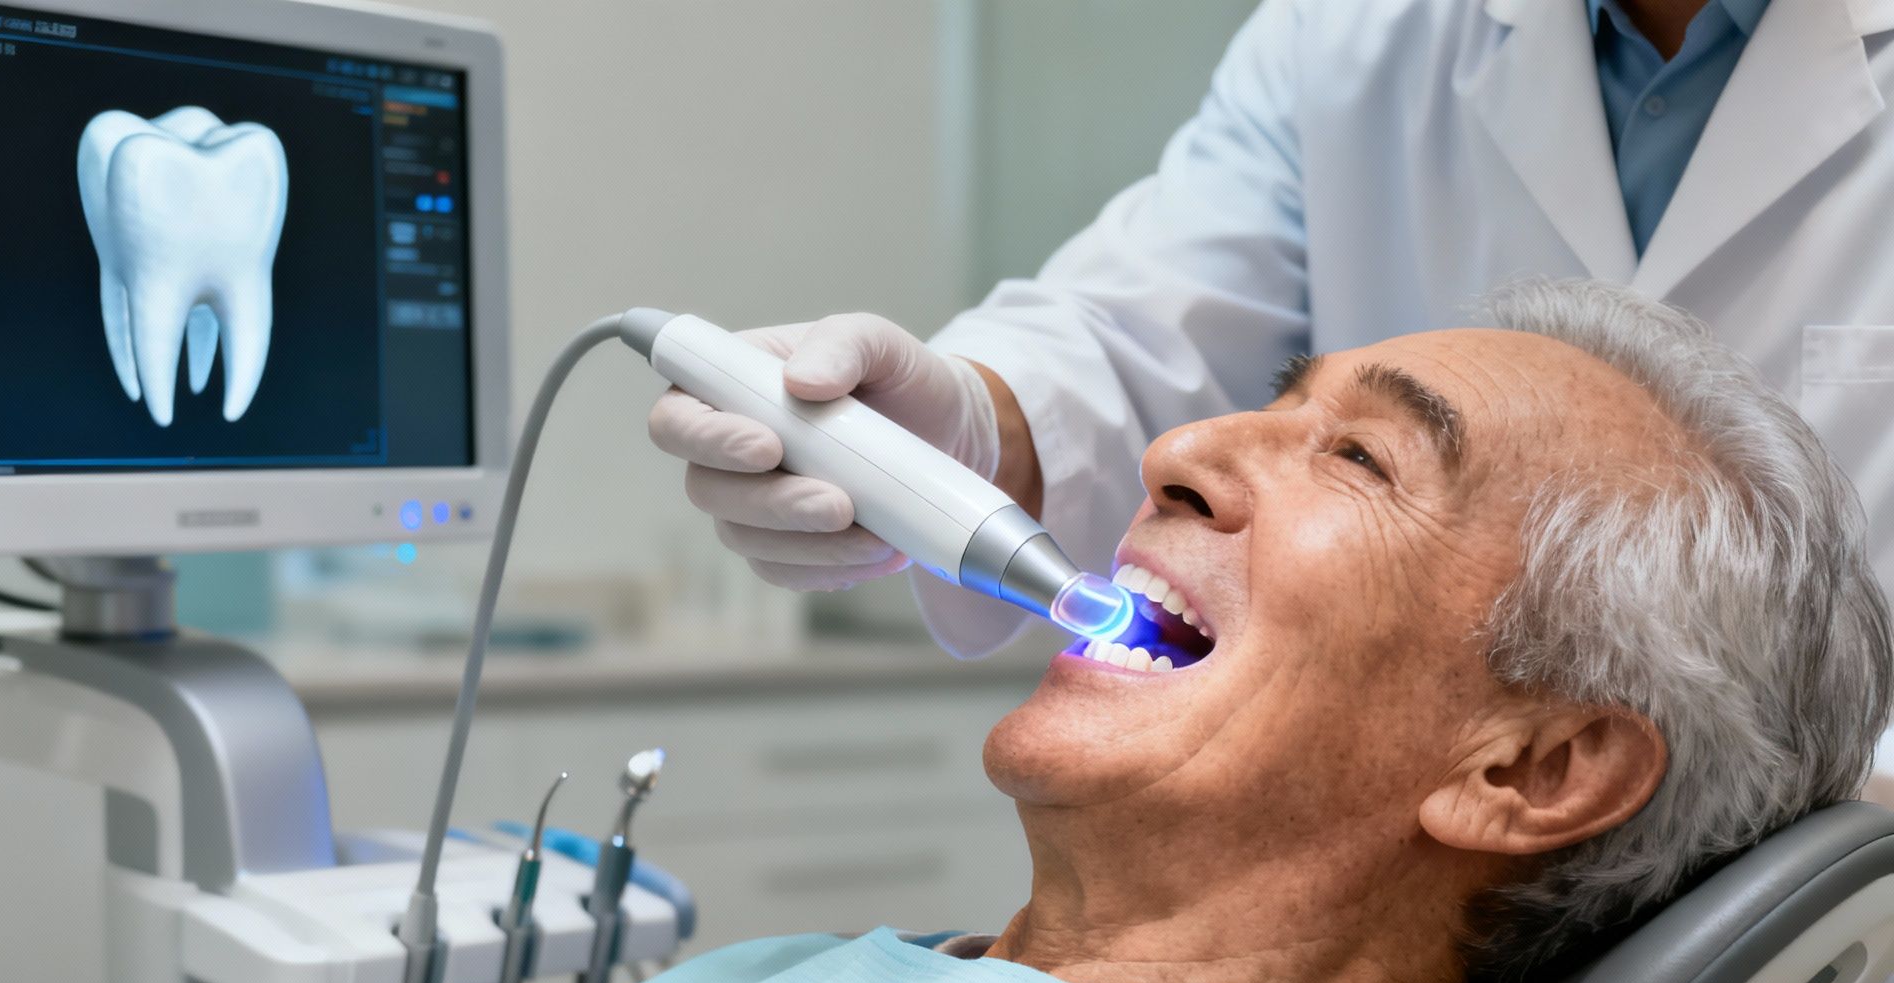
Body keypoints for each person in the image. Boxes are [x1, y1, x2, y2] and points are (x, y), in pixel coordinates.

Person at [353, 282, 1890, 983]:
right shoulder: (809, 982)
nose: (1172, 447)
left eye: (1360, 462)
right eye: (1277, 401)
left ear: (1534, 766)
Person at [649, 0, 1894, 658]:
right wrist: (973, 428)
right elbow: (1138, 331)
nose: (1187, 466)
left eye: (1356, 454)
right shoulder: (1349, 33)